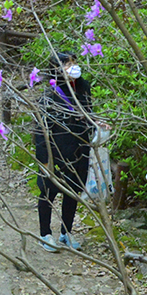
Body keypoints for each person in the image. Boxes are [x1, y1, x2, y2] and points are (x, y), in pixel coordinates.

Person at [36, 51, 96, 252]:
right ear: (56, 69)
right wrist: (44, 160)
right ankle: (45, 234)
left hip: (79, 149)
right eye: (67, 64)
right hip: (56, 152)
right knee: (48, 193)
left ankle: (66, 232)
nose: (73, 67)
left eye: (74, 62)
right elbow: (40, 130)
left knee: (73, 192)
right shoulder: (49, 96)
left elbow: (89, 113)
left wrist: (96, 123)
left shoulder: (83, 88)